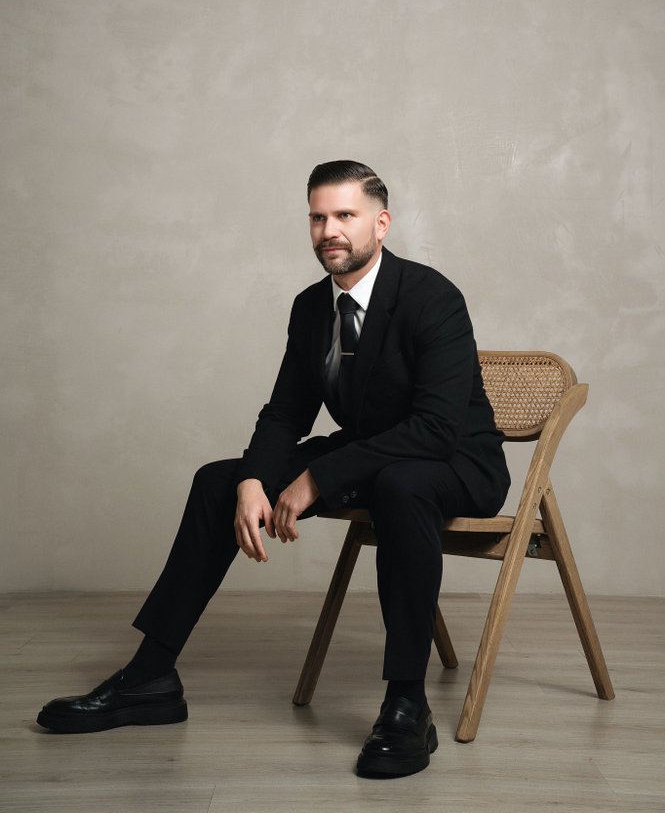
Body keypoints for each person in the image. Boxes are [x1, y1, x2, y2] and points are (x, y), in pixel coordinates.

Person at [37, 160, 510, 777]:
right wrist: (253, 480)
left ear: (381, 223)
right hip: (368, 454)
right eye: (318, 217)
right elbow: (287, 411)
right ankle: (150, 677)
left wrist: (318, 478)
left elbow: (437, 428)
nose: (329, 230)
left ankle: (406, 703)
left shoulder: (432, 297)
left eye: (345, 215)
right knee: (218, 480)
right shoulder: (311, 307)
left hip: (454, 461)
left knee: (400, 484)